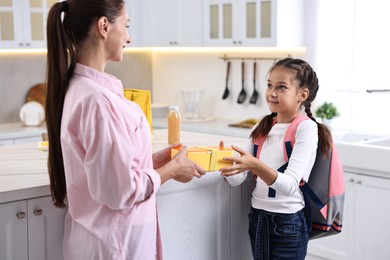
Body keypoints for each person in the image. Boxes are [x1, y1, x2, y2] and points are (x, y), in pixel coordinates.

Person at [45, 1, 206, 259]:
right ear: (103, 26)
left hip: (96, 242)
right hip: (113, 246)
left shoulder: (81, 89)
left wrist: (152, 162)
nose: (129, 37)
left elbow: (104, 169)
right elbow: (120, 191)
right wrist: (172, 170)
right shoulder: (97, 100)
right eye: (126, 25)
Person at [220, 58, 333, 260]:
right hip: (258, 219)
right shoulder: (261, 127)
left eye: (281, 87)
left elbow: (290, 185)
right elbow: (237, 179)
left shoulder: (306, 128)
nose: (272, 92)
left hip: (288, 224)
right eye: (270, 85)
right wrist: (222, 162)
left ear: (302, 94)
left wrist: (255, 165)